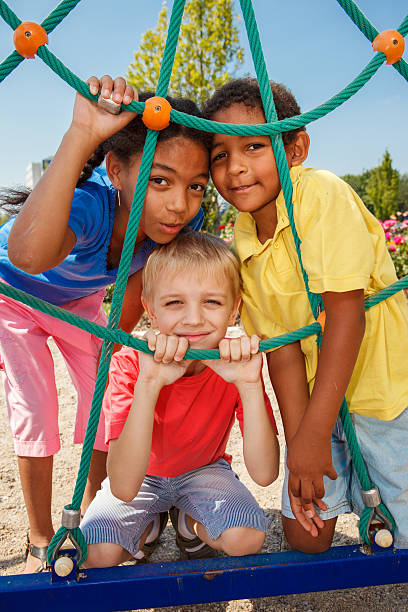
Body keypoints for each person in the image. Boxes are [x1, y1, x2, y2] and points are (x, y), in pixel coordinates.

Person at [0, 75, 211, 572]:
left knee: (106, 390)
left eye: (195, 186)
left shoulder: (176, 225)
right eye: (160, 180)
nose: (179, 202)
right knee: (36, 405)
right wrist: (80, 133)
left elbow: (135, 291)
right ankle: (38, 536)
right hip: (12, 293)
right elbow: (27, 255)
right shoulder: (92, 205)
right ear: (116, 170)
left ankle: (95, 508)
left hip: (77, 300)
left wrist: (120, 347)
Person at [202, 78, 408, 553]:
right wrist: (302, 446)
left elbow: (346, 315)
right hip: (319, 394)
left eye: (254, 146)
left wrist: (316, 434)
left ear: (295, 149)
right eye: (219, 154)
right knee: (305, 538)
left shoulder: (319, 195)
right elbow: (282, 349)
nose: (235, 168)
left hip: (380, 391)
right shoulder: (245, 234)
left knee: (400, 537)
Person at [80, 230, 279, 566]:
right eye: (174, 302)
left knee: (247, 538)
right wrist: (149, 384)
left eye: (212, 302)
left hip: (203, 470)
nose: (193, 318)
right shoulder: (130, 363)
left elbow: (265, 473)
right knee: (96, 554)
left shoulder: (233, 364)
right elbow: (124, 486)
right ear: (151, 311)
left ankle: (189, 522)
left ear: (234, 310)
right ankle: (150, 523)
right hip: (142, 477)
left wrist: (247, 384)